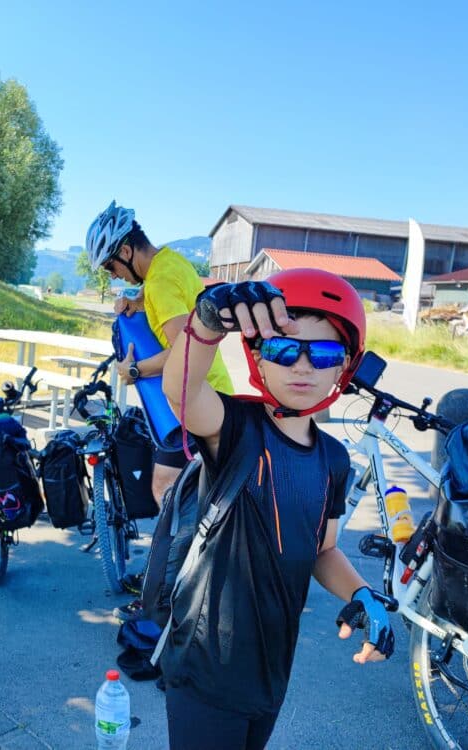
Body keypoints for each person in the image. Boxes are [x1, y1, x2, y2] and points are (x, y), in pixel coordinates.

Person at [157, 269, 394, 750]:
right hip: (205, 664)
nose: (302, 366)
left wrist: (365, 594)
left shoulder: (333, 459)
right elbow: (179, 391)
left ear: (342, 367)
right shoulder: (234, 427)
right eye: (284, 349)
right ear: (259, 362)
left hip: (271, 668)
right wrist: (205, 323)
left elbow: (324, 551)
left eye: (322, 353)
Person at [86, 201, 234, 612]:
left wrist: (133, 369)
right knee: (188, 495)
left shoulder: (162, 283)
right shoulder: (171, 264)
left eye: (111, 267)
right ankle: (174, 581)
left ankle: (168, 595)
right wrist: (136, 300)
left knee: (168, 493)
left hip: (194, 402)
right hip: (214, 395)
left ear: (127, 252)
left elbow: (181, 350)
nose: (113, 276)